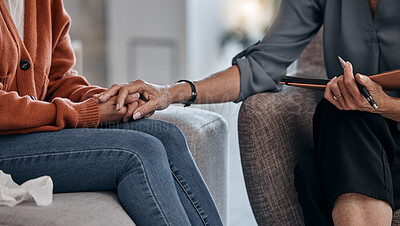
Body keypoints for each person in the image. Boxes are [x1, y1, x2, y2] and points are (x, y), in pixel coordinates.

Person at [97, 0, 400, 225]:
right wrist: (169, 93)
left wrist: (383, 105)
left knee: (317, 176)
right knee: (339, 117)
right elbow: (260, 66)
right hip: (354, 136)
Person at [0, 0, 223, 225]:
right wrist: (85, 113)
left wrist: (109, 100)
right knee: (140, 152)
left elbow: (57, 79)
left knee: (169, 136)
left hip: (31, 134)